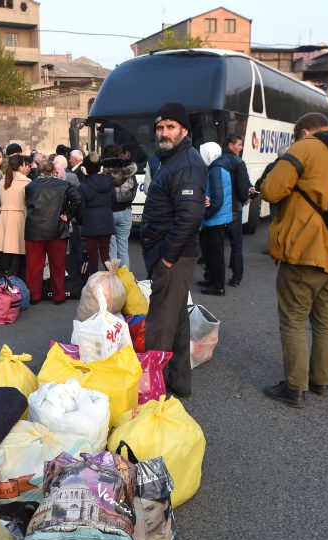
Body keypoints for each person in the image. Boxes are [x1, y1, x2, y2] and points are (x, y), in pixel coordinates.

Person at [259, 112, 328, 409]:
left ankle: (294, 387)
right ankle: (321, 381)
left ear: (304, 131)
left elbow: (270, 189)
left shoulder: (306, 147)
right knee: (326, 320)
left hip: (306, 250)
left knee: (293, 319)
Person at [140, 101, 206, 398]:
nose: (163, 133)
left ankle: (156, 396)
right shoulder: (172, 160)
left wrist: (166, 257)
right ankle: (179, 383)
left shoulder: (187, 163)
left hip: (173, 257)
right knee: (176, 320)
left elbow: (190, 216)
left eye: (170, 127)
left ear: (184, 130)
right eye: (160, 127)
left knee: (159, 327)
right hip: (170, 255)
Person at [24, 160, 83, 304]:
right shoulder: (63, 185)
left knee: (34, 267)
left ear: (40, 171)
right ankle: (59, 296)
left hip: (34, 230)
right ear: (53, 171)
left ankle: (34, 296)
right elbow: (77, 198)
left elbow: (27, 203)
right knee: (58, 266)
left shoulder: (30, 186)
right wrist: (67, 215)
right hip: (57, 230)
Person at [214, 134, 252, 287]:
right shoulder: (239, 162)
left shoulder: (216, 161)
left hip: (218, 209)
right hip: (234, 210)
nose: (241, 148)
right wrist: (247, 198)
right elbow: (244, 188)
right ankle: (236, 277)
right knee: (236, 245)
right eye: (239, 144)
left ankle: (215, 278)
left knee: (217, 246)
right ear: (231, 145)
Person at [196, 142, 232, 296]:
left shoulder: (215, 170)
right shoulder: (219, 167)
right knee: (210, 252)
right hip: (217, 217)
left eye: (202, 153)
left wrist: (205, 214)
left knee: (215, 254)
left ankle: (218, 286)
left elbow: (217, 199)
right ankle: (212, 280)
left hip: (215, 219)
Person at [78, 152, 116, 273]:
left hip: (90, 223)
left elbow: (80, 208)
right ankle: (111, 280)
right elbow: (113, 202)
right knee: (106, 254)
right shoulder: (109, 181)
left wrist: (82, 220)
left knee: (92, 256)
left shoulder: (83, 186)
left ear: (84, 169)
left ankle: (93, 282)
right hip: (107, 220)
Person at [102, 144, 138, 270]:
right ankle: (125, 280)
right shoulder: (129, 170)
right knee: (123, 248)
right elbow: (133, 190)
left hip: (108, 212)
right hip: (125, 211)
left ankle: (112, 283)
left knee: (111, 248)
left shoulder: (104, 171)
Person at [0, 154, 30, 277]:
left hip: (4, 216)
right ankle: (15, 279)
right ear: (21, 166)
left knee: (5, 249)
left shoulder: (3, 180)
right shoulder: (26, 181)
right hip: (19, 216)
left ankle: (3, 278)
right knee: (17, 249)